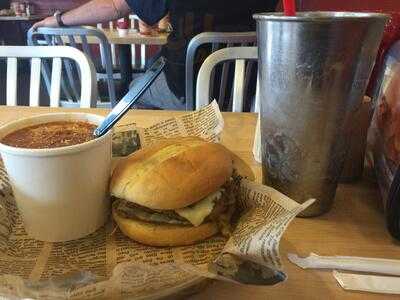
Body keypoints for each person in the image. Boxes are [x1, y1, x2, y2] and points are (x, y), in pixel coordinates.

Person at [33, 0, 278, 110]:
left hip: (186, 91)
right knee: (153, 65)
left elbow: (115, 7)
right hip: (250, 89)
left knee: (132, 94)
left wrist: (57, 19)